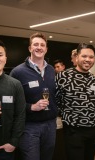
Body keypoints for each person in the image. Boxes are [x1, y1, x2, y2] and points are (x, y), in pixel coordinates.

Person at [10, 32, 57, 160]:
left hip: (50, 125)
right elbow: (10, 101)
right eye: (35, 44)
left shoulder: (51, 70)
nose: (39, 47)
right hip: (29, 126)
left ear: (46, 49)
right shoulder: (18, 72)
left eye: (42, 45)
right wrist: (31, 107)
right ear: (30, 48)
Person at [56, 43, 95, 160]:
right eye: (84, 56)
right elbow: (55, 101)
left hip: (94, 131)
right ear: (77, 57)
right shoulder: (63, 76)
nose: (88, 60)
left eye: (91, 57)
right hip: (74, 132)